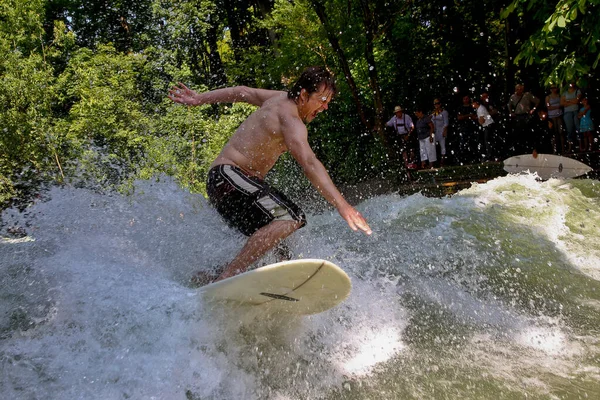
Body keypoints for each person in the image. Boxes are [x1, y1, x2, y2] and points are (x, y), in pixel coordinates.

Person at [168, 66, 372, 284]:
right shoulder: (291, 120)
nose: (325, 106)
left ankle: (210, 279)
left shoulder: (277, 99)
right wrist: (342, 205)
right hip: (227, 176)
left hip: (227, 183)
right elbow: (310, 163)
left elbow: (243, 92)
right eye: (322, 99)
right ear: (303, 95)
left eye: (328, 101)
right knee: (291, 218)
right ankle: (228, 277)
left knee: (277, 247)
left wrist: (200, 99)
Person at [507, 84, 540, 154]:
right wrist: (511, 112)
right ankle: (519, 151)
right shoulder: (513, 96)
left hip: (526, 116)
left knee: (528, 133)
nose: (519, 91)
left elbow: (537, 101)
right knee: (518, 134)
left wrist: (533, 110)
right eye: (517, 89)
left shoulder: (527, 95)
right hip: (517, 116)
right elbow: (509, 105)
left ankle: (530, 150)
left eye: (520, 89)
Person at [561, 82, 582, 153]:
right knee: (569, 129)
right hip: (567, 113)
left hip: (575, 111)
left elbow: (577, 100)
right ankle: (570, 147)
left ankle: (580, 146)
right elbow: (562, 103)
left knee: (578, 128)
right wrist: (572, 101)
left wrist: (568, 101)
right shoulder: (565, 93)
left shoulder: (577, 91)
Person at [545, 84, 565, 154]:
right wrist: (557, 106)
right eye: (552, 88)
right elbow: (548, 107)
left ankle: (563, 149)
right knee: (554, 132)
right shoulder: (548, 97)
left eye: (554, 88)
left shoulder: (559, 95)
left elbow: (562, 104)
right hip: (552, 116)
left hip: (559, 115)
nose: (553, 89)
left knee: (561, 131)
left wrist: (556, 106)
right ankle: (555, 150)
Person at [431, 98, 450, 165]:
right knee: (434, 146)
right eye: (435, 104)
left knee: (443, 146)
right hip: (435, 131)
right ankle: (435, 161)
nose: (436, 105)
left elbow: (446, 123)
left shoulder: (444, 112)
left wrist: (444, 131)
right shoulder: (433, 113)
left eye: (437, 103)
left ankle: (443, 161)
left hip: (442, 130)